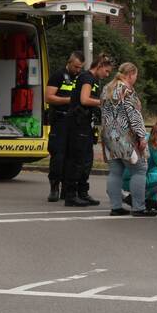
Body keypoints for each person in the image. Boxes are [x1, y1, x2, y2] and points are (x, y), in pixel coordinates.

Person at [101, 62, 156, 217]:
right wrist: (141, 136)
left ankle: (116, 206)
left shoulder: (107, 89)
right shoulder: (127, 91)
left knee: (115, 171)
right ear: (131, 74)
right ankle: (139, 207)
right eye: (136, 76)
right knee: (139, 169)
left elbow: (103, 112)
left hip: (109, 136)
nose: (136, 79)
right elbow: (134, 116)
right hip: (126, 137)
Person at [62, 54, 113, 207]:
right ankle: (71, 195)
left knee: (86, 160)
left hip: (85, 124)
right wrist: (102, 102)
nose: (107, 74)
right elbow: (84, 99)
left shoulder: (91, 79)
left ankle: (82, 192)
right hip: (78, 124)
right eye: (107, 71)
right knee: (77, 160)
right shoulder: (87, 78)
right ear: (99, 66)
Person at [45, 51, 83, 202]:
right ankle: (54, 187)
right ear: (69, 63)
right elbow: (49, 97)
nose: (78, 70)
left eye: (80, 67)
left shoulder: (81, 77)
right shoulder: (58, 75)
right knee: (58, 155)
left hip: (76, 121)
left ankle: (67, 189)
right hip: (60, 119)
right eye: (76, 67)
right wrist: (70, 100)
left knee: (72, 156)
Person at [123, 118, 157, 212]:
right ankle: (139, 197)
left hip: (126, 176)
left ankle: (151, 200)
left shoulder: (145, 136)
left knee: (154, 171)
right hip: (133, 180)